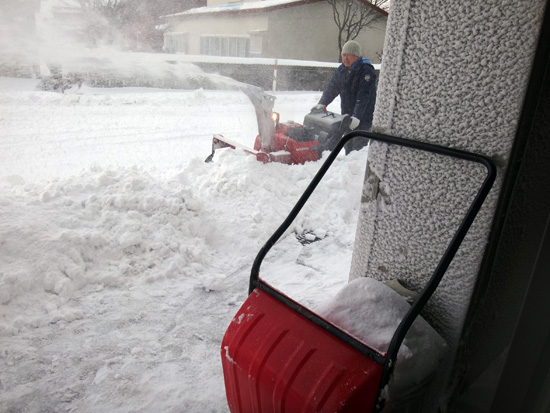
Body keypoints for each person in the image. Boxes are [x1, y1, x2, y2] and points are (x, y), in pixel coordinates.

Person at [311, 40, 377, 153]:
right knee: (348, 145)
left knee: (357, 149)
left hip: (363, 117)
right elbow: (332, 88)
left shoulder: (366, 71)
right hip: (347, 115)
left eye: (349, 56)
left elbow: (364, 96)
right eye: (344, 55)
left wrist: (357, 116)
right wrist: (322, 103)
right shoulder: (341, 70)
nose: (345, 59)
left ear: (356, 56)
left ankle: (355, 168)